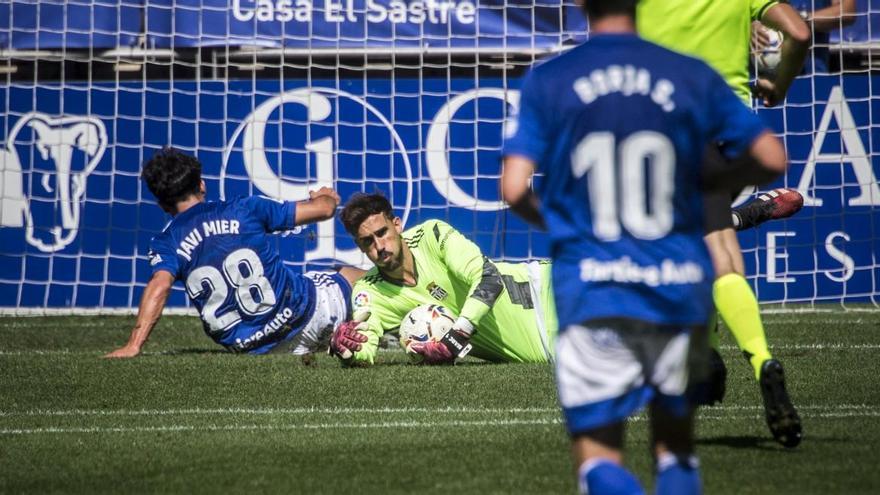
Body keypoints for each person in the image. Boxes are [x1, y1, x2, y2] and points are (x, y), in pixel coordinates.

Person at [500, 0, 787, 493]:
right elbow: (770, 157)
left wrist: (567, 224)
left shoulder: (551, 79)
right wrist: (702, 190)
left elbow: (513, 188)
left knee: (598, 457)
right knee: (675, 451)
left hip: (595, 290)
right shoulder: (689, 74)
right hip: (674, 289)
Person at [637, 0, 809, 448]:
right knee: (714, 246)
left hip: (665, 131)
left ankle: (717, 356)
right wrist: (777, 81)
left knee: (691, 247)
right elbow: (800, 33)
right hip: (729, 135)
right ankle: (748, 360)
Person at [104, 147, 364, 358]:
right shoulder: (243, 209)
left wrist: (134, 345)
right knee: (355, 275)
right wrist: (326, 196)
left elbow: (159, 286)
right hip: (309, 316)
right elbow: (323, 210)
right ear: (202, 185)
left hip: (256, 350)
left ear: (161, 204)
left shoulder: (166, 242)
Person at [327, 192, 557, 366]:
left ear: (397, 225)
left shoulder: (431, 235)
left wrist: (457, 336)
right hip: (541, 348)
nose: (379, 246)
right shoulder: (369, 292)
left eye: (382, 233)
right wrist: (348, 350)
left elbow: (488, 278)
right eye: (367, 241)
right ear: (359, 246)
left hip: (547, 292)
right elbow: (364, 346)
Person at [754, 0, 857, 73]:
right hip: (760, 73)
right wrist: (749, 25)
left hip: (812, 73)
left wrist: (799, 20)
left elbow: (847, 11)